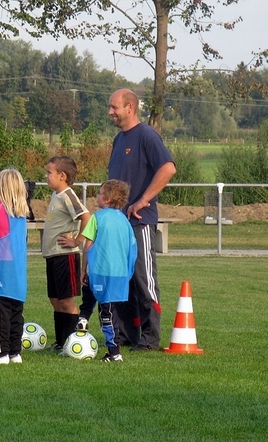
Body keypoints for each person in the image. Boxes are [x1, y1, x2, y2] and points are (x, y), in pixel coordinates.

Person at [107, 88, 176, 351]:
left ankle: (150, 337)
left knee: (143, 279)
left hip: (139, 221)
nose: (110, 112)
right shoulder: (118, 140)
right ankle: (127, 334)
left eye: (114, 107)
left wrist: (143, 199)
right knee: (123, 280)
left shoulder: (147, 135)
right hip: (119, 223)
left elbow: (168, 168)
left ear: (130, 108)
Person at [80, 180, 137, 362]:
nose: (96, 196)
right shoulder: (125, 221)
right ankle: (82, 319)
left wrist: (83, 269)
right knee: (100, 299)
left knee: (106, 310)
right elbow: (132, 248)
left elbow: (88, 246)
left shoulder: (97, 218)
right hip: (120, 273)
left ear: (107, 198)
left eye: (99, 193)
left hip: (101, 270)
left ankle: (114, 352)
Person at [0, 169, 29, 364]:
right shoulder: (22, 210)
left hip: (1, 267)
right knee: (17, 312)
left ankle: (1, 354)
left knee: (1, 313)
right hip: (18, 269)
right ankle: (15, 353)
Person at [43, 156, 90, 350]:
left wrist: (77, 241)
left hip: (65, 255)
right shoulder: (56, 195)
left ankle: (72, 343)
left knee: (66, 301)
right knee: (55, 300)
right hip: (53, 256)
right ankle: (61, 342)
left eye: (49, 173)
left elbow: (87, 217)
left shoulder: (68, 195)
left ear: (62, 176)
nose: (46, 176)